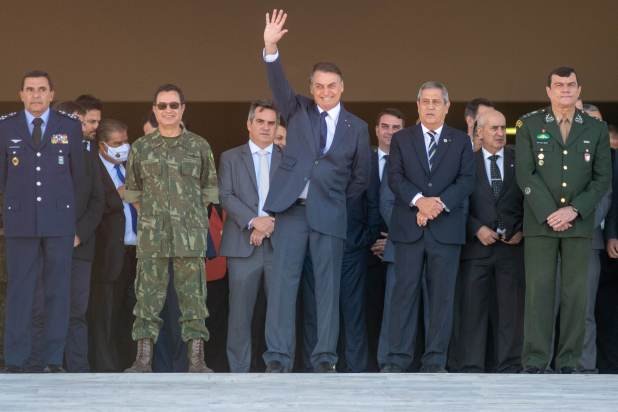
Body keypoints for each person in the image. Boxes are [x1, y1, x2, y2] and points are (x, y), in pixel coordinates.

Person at [260, 10, 371, 373]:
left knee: (328, 288)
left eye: (332, 86)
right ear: (311, 88)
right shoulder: (298, 111)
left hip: (330, 212)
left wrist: (333, 196)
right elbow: (278, 87)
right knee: (283, 286)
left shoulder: (357, 127)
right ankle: (278, 357)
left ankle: (325, 358)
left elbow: (360, 178)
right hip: (292, 210)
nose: (325, 91)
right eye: (319, 86)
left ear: (342, 88)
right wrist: (270, 47)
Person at [515, 66, 611, 373]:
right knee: (538, 293)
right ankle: (535, 360)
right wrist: (549, 212)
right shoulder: (529, 125)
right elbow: (525, 173)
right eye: (559, 85)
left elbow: (601, 179)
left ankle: (569, 361)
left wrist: (573, 210)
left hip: (578, 224)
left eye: (571, 85)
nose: (565, 89)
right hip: (541, 224)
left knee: (576, 296)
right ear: (548, 91)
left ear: (579, 90)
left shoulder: (596, 129)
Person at [381, 81, 474, 373]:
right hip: (408, 230)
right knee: (403, 295)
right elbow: (394, 177)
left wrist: (437, 205)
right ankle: (398, 359)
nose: (431, 106)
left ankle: (435, 361)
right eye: (426, 101)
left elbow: (466, 180)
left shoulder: (460, 141)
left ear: (448, 107)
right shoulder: (402, 139)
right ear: (418, 105)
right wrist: (420, 201)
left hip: (445, 231)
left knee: (442, 299)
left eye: (437, 102)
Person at [123, 83, 218, 373]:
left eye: (173, 105)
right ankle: (142, 361)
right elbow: (133, 192)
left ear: (182, 109)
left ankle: (197, 361)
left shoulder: (199, 146)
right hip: (153, 236)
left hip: (189, 236)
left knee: (194, 298)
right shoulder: (141, 147)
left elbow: (209, 190)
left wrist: (188, 218)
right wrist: (153, 217)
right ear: (154, 109)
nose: (168, 110)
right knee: (148, 298)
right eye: (162, 106)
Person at [0, 70, 85, 373]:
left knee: (57, 291)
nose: (35, 95)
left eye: (42, 89)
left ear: (52, 94)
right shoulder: (5, 127)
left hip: (59, 222)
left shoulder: (70, 127)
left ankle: (52, 359)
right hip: (19, 222)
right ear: (21, 94)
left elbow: (80, 178)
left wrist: (74, 223)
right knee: (19, 292)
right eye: (29, 89)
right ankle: (15, 359)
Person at [449, 110, 524, 373]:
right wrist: (476, 228)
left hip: (511, 249)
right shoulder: (466, 161)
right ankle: (471, 366)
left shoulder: (521, 160)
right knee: (472, 310)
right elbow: (456, 203)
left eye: (503, 128)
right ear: (479, 132)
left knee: (510, 312)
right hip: (476, 249)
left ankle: (509, 366)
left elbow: (532, 198)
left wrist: (523, 230)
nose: (500, 134)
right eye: (493, 129)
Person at [219, 100, 281, 372]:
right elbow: (225, 195)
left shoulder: (287, 158)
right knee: (240, 316)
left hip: (280, 245)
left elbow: (296, 198)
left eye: (271, 123)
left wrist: (270, 224)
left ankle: (278, 367)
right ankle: (239, 371)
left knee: (279, 313)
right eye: (261, 122)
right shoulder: (230, 157)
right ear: (249, 124)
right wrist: (255, 222)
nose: (266, 127)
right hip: (242, 246)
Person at [88, 118, 138, 371]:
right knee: (104, 315)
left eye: (126, 141)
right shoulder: (91, 168)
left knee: (130, 315)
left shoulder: (132, 166)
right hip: (107, 254)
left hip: (136, 252)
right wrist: (114, 196)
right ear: (102, 146)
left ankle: (130, 365)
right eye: (117, 144)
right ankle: (105, 368)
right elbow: (88, 206)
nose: (124, 147)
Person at [366, 108, 404, 371]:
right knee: (363, 312)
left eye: (396, 128)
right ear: (376, 130)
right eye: (385, 127)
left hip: (400, 245)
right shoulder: (361, 159)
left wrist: (396, 237)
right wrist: (367, 241)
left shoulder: (410, 162)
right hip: (362, 248)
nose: (389, 132)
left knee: (395, 308)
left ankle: (392, 362)